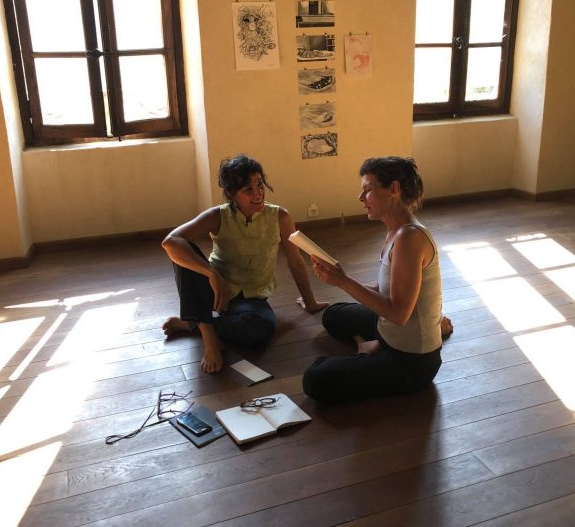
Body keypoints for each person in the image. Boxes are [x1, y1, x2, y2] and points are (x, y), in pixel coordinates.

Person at [302, 157, 451, 403]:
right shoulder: (395, 231)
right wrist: (338, 279)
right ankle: (371, 344)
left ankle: (372, 349)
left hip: (411, 362)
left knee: (315, 378)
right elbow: (384, 291)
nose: (361, 198)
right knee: (333, 315)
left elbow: (399, 315)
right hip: (388, 329)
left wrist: (343, 281)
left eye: (368, 190)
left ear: (393, 189)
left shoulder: (410, 238)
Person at [162, 155, 326, 373]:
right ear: (232, 193)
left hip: (250, 300)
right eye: (248, 189)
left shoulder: (280, 217)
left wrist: (310, 302)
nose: (258, 194)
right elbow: (170, 242)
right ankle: (209, 338)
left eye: (260, 185)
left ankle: (195, 323)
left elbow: (295, 261)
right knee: (182, 251)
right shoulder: (218, 216)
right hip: (214, 291)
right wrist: (211, 274)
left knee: (260, 330)